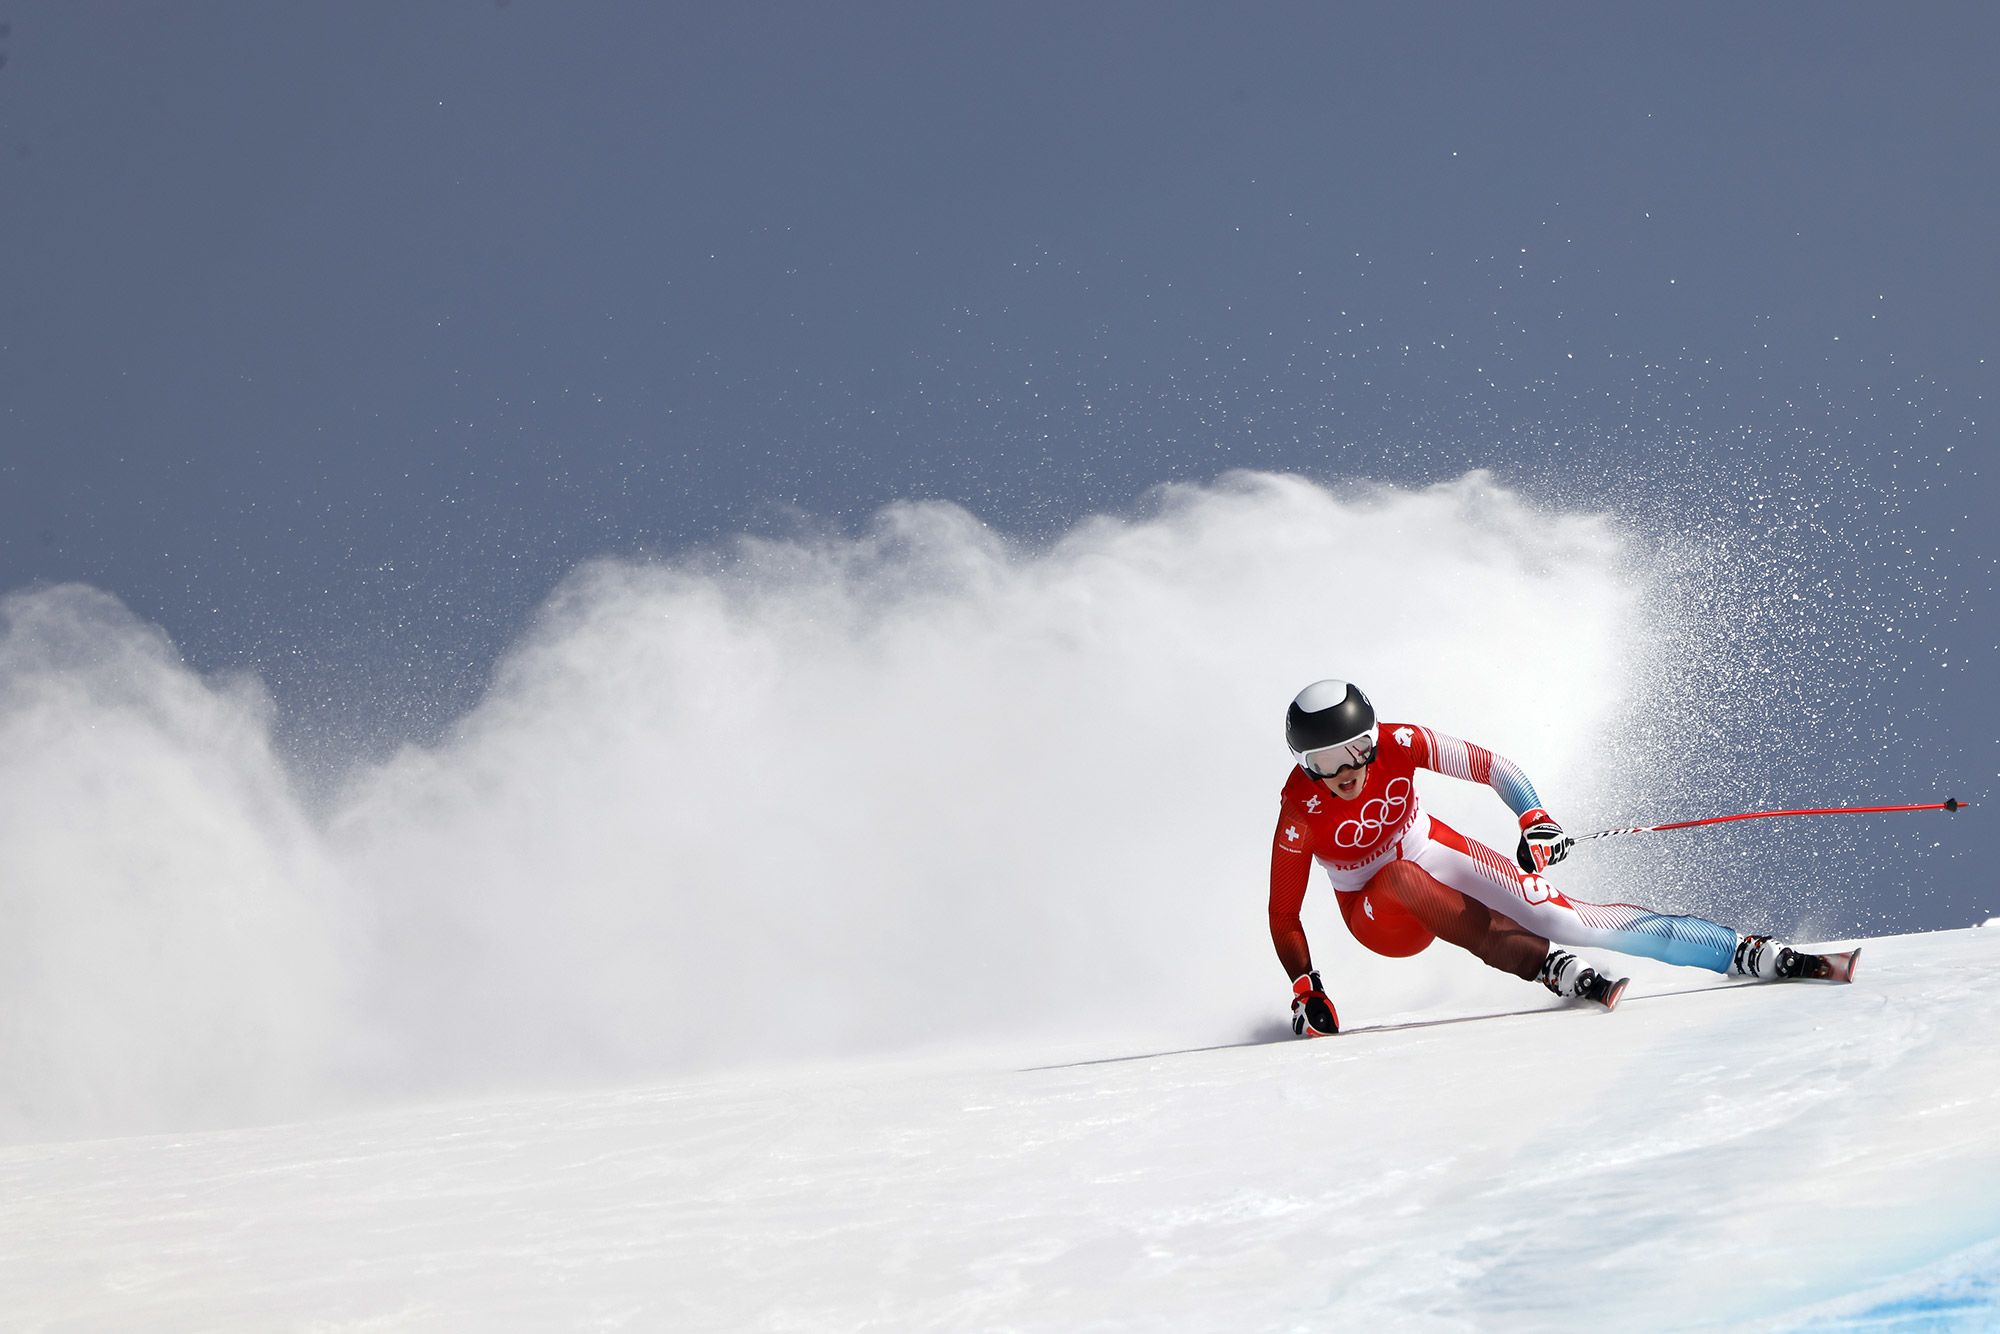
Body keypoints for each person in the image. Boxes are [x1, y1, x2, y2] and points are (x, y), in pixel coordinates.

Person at [1270, 679, 1831, 1037]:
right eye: (1325, 760)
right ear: (1304, 763)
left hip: (1429, 846)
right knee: (1398, 875)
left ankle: (1741, 950)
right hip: (1377, 910)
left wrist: (1534, 816)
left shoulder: (1403, 742)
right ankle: (1541, 963)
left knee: (1566, 917)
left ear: (1374, 736)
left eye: (1358, 749)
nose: (1347, 770)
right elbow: (1283, 912)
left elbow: (1491, 766)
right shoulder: (1299, 808)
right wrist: (1307, 988)